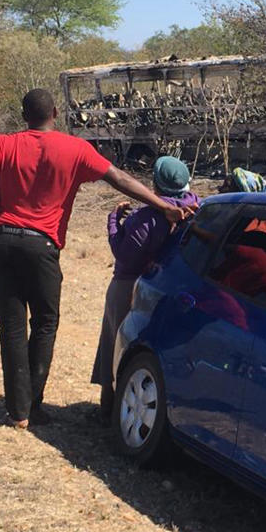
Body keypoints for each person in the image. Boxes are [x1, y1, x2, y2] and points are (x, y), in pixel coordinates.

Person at [0, 89, 192, 429]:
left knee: (11, 326)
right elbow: (120, 179)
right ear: (55, 112)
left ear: (24, 115)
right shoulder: (76, 148)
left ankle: (17, 411)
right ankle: (32, 405)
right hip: (41, 246)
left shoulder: (4, 143)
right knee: (44, 322)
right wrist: (163, 206)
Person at [92, 156, 199, 418]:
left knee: (114, 340)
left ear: (156, 182)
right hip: (165, 288)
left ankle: (108, 408)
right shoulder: (194, 208)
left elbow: (124, 255)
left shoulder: (147, 218)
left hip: (129, 284)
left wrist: (114, 221)